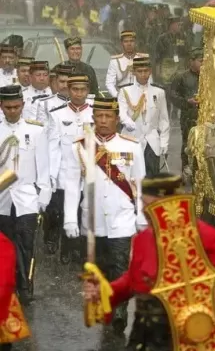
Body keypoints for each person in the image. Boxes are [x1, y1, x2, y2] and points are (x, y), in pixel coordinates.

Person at [82, 173, 215, 350]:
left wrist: (205, 315)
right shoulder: (143, 239)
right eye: (143, 204)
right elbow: (133, 281)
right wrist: (104, 292)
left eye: (149, 205)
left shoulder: (205, 236)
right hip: (147, 336)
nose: (144, 211)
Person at [61, 96, 146, 333]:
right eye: (99, 116)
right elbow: (70, 183)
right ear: (93, 118)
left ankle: (119, 313)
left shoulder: (132, 146)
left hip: (122, 217)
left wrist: (141, 215)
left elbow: (140, 183)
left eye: (109, 116)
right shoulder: (79, 146)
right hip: (93, 218)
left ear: (117, 119)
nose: (104, 120)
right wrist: (69, 217)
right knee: (102, 267)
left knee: (120, 266)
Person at [0, 85, 50, 302]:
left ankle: (25, 284)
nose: (12, 111)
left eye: (16, 107)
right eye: (8, 107)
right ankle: (9, 283)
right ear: (1, 106)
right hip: (1, 197)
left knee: (26, 241)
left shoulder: (36, 130)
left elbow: (44, 166)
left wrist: (44, 197)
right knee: (6, 243)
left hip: (27, 196)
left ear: (23, 105)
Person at [46, 74, 94, 263]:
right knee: (67, 211)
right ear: (69, 90)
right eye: (75, 89)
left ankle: (82, 252)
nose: (78, 93)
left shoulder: (95, 114)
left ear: (88, 91)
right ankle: (66, 250)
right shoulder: (58, 114)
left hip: (88, 172)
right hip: (66, 172)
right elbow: (53, 147)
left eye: (82, 90)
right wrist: (52, 174)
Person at [118, 58, 170, 176]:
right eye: (140, 71)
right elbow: (122, 113)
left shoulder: (159, 92)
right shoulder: (125, 91)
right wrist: (128, 122)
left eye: (146, 71)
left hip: (152, 142)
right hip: (131, 139)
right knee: (129, 177)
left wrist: (164, 142)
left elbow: (164, 119)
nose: (143, 74)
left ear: (150, 71)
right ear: (133, 72)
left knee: (152, 181)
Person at [170, 49, 201, 177]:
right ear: (191, 62)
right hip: (188, 116)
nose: (203, 64)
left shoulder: (211, 76)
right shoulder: (181, 77)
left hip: (206, 116)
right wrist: (187, 102)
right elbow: (172, 96)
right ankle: (185, 169)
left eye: (205, 61)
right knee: (188, 143)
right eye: (200, 61)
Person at [105, 31, 151, 98]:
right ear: (122, 43)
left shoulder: (143, 59)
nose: (129, 44)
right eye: (126, 41)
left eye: (131, 41)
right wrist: (117, 96)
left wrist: (145, 95)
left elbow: (149, 80)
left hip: (141, 95)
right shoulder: (115, 61)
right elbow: (109, 83)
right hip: (122, 94)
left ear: (135, 43)